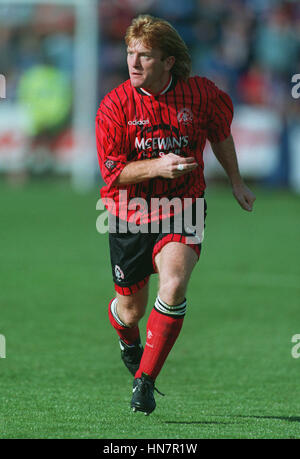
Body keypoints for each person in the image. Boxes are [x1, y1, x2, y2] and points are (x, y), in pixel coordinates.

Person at [95, 14, 256, 415]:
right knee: (130, 310)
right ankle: (127, 339)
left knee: (174, 286)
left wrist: (236, 181)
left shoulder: (202, 95)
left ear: (168, 61)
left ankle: (144, 382)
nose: (133, 63)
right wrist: (157, 166)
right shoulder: (115, 106)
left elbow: (220, 134)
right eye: (130, 53)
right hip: (129, 213)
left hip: (182, 207)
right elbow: (113, 173)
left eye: (144, 56)